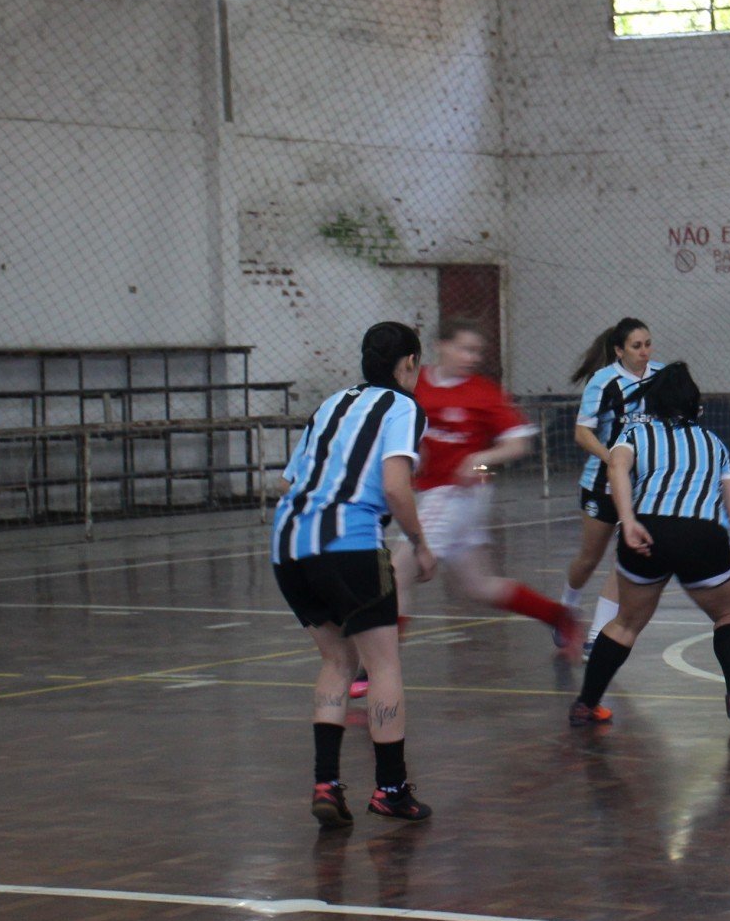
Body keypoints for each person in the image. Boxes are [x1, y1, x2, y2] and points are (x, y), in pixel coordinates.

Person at [272, 321, 437, 827]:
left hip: (288, 543)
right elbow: (394, 486)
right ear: (408, 363)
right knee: (383, 665)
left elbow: (289, 478)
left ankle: (326, 783)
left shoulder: (332, 403)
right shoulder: (405, 408)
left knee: (336, 661)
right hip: (350, 543)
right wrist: (419, 543)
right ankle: (390, 789)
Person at [568, 362, 730, 725]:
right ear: (696, 405)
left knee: (625, 623)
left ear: (651, 404)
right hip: (704, 534)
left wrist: (628, 521)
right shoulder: (714, 443)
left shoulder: (635, 436)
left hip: (648, 531)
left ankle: (587, 704)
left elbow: (615, 469)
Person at [389, 319, 582, 658]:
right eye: (464, 348)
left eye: (477, 351)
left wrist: (479, 461)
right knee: (478, 585)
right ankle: (558, 616)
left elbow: (518, 446)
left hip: (458, 494)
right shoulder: (416, 386)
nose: (471, 357)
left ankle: (377, 666)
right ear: (440, 346)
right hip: (435, 493)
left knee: (398, 569)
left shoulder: (482, 392)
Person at [561, 319, 658, 648]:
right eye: (636, 346)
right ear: (619, 350)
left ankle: (596, 635)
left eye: (648, 344)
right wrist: (612, 459)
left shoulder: (661, 377)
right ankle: (566, 608)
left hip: (643, 487)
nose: (644, 352)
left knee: (626, 557)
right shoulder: (604, 382)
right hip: (601, 485)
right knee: (589, 558)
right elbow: (581, 433)